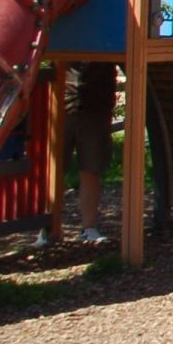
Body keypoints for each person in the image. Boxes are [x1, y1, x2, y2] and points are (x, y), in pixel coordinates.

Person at [61, 61, 116, 244]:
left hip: (95, 105)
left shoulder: (107, 38)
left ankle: (89, 228)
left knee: (91, 168)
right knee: (53, 171)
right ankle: (47, 228)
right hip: (62, 103)